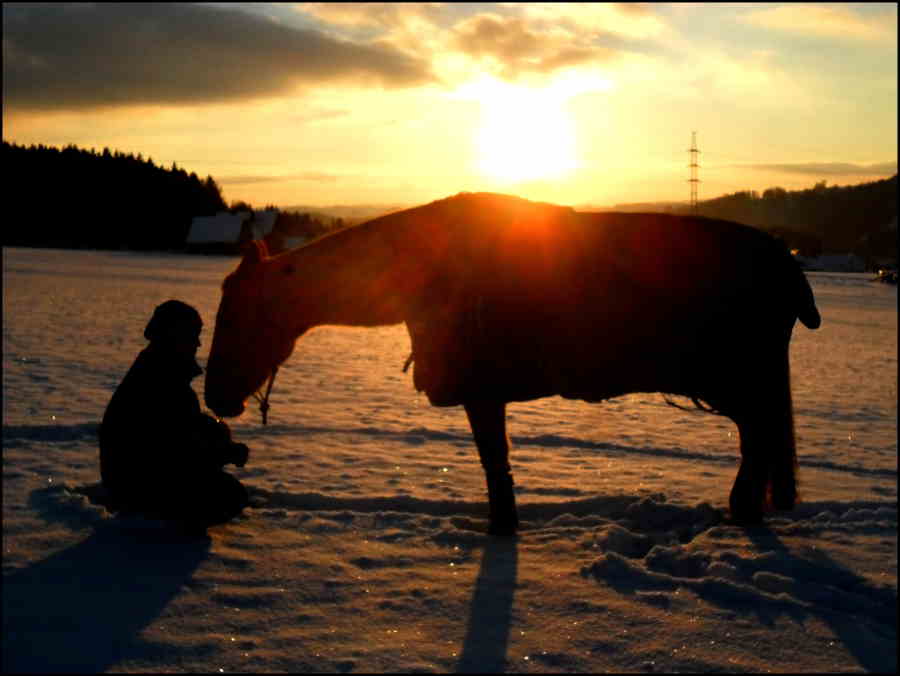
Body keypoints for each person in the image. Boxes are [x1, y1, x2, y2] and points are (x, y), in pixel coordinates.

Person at [99, 300, 250, 532]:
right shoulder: (163, 379)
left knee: (214, 433)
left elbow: (183, 428)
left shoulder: (157, 368)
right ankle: (162, 522)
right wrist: (227, 452)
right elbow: (177, 446)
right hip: (138, 485)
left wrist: (217, 434)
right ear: (176, 335)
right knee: (232, 496)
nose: (198, 343)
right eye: (193, 335)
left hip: (132, 478)